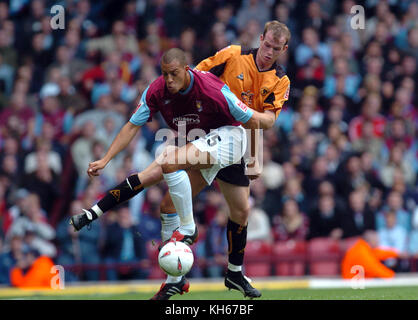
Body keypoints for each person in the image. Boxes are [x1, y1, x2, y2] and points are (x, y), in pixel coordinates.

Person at [70, 48, 264, 299]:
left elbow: (252, 121)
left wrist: (254, 160)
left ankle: (203, 243)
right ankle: (175, 279)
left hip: (229, 141)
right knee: (164, 203)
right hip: (197, 144)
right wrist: (106, 159)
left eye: (174, 74)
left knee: (239, 210)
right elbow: (131, 126)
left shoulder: (212, 89)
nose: (168, 80)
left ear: (186, 70)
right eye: (164, 74)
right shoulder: (156, 91)